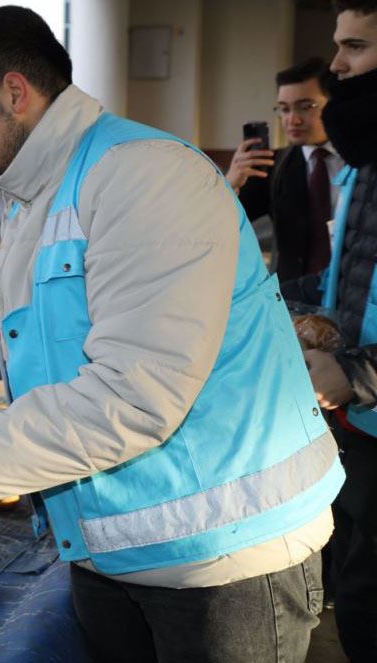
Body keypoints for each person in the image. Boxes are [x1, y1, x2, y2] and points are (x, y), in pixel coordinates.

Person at [0, 7, 341, 662]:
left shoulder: (143, 175)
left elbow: (137, 394)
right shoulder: (40, 197)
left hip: (224, 557)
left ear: (15, 93)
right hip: (113, 545)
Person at [279, 1, 377, 659]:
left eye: (357, 46)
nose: (337, 65)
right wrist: (321, 335)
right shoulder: (365, 161)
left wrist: (360, 371)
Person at [227, 58, 341, 282]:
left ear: (334, 103)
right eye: (284, 109)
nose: (292, 120)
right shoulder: (271, 165)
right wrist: (231, 183)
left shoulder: (361, 162)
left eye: (306, 106)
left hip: (356, 294)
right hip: (293, 294)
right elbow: (223, 223)